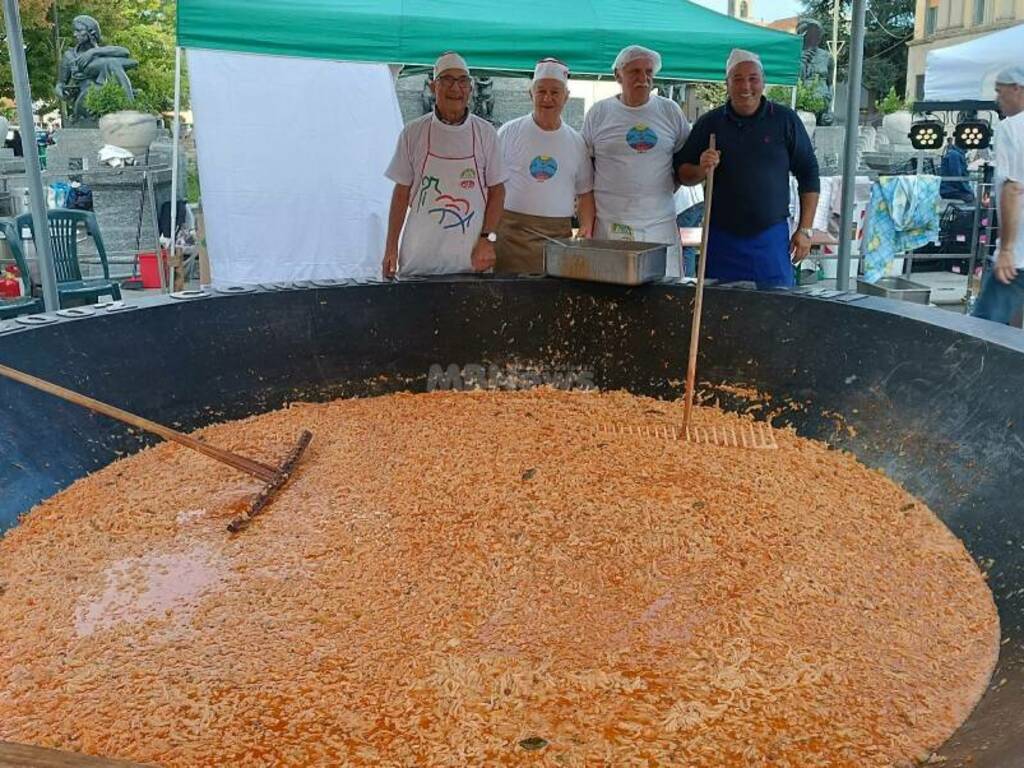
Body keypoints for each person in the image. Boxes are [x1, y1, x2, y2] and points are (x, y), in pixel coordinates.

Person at [674, 49, 820, 289]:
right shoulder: (710, 123)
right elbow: (682, 174)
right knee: (720, 312)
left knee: (776, 310)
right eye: (738, 79)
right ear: (727, 84)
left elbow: (809, 173)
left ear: (763, 82)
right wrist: (702, 168)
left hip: (770, 236)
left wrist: (805, 230)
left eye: (753, 78)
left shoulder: (785, 120)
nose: (746, 86)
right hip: (721, 238)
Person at [383, 52, 507, 278]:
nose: (455, 89)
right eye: (447, 80)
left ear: (470, 89)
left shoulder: (486, 134)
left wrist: (487, 239)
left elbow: (498, 191)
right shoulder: (413, 132)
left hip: (470, 258)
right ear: (433, 86)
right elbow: (401, 193)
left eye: (462, 81)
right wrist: (391, 247)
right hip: (420, 256)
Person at [581, 45, 691, 279]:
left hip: (659, 225)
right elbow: (586, 170)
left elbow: (682, 163)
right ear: (617, 75)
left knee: (663, 295)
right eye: (634, 72)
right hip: (610, 224)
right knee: (609, 295)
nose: (643, 78)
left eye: (648, 72)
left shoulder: (669, 111)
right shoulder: (599, 113)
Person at [495, 58, 595, 274]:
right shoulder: (508, 132)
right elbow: (490, 185)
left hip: (558, 240)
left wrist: (586, 228)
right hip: (511, 238)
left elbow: (585, 193)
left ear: (566, 97)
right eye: (541, 91)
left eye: (555, 92)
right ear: (531, 94)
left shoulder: (576, 142)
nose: (547, 98)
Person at [972, 66, 1024, 325]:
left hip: (1018, 256)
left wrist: (1006, 249)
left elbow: (1013, 188)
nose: (997, 100)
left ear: (1017, 88)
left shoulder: (1012, 128)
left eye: (999, 92)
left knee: (984, 331)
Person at [55, 15, 138, 123]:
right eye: (74, 31)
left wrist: (93, 52)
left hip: (106, 95)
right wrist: (62, 93)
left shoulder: (102, 53)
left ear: (91, 32)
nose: (75, 34)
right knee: (111, 63)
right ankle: (130, 108)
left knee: (111, 64)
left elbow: (125, 52)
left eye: (79, 31)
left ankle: (128, 108)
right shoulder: (70, 56)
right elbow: (60, 84)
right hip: (86, 100)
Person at [940, 137, 975, 204]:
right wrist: (968, 190)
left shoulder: (958, 154)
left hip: (953, 188)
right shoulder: (954, 155)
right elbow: (956, 178)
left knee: (973, 195)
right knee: (971, 197)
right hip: (949, 190)